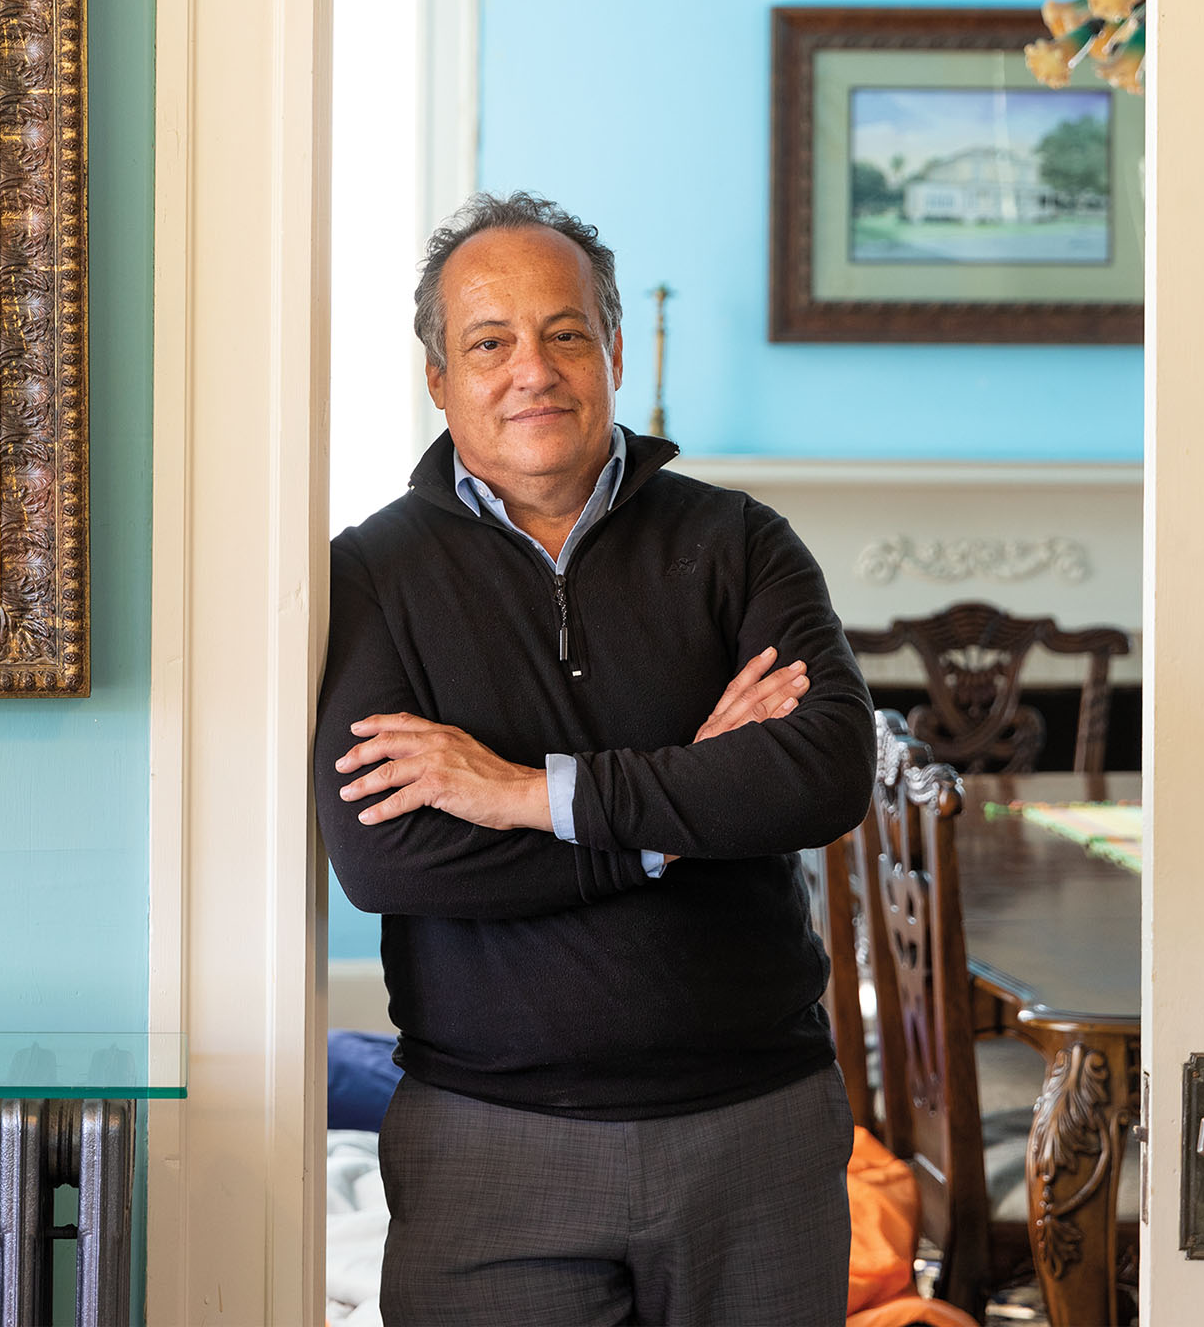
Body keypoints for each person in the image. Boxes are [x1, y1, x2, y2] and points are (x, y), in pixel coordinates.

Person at [314, 190, 875, 1326]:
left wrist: (521, 793)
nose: (534, 368)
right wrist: (671, 827)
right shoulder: (367, 574)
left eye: (566, 331)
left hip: (753, 1130)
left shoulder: (740, 542)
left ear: (611, 349)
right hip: (492, 1146)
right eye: (490, 341)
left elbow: (824, 769)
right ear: (438, 378)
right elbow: (393, 860)